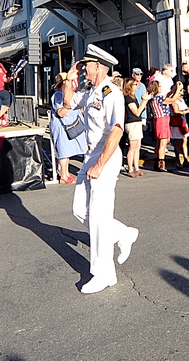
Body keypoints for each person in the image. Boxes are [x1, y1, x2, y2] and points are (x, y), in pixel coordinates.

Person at [62, 44, 139, 294]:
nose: (83, 69)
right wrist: (68, 78)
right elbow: (67, 102)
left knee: (97, 216)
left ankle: (103, 273)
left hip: (105, 154)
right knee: (78, 210)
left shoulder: (111, 93)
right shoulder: (90, 90)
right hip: (90, 153)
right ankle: (123, 232)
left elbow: (117, 129)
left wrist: (100, 163)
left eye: (86, 65)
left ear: (98, 66)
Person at [50, 72, 87, 184]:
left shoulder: (72, 94)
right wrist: (68, 105)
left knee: (74, 149)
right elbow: (61, 112)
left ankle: (66, 174)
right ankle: (64, 175)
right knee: (64, 150)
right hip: (62, 126)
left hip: (74, 125)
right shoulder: (58, 95)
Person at [123, 76, 149, 178]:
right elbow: (137, 112)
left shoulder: (133, 97)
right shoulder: (128, 98)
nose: (136, 86)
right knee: (132, 147)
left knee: (138, 147)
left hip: (137, 123)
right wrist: (144, 101)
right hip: (132, 123)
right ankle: (130, 168)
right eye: (134, 84)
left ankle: (137, 167)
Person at [147, 79, 174, 171]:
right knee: (163, 143)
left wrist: (173, 91)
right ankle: (161, 164)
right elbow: (172, 100)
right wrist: (178, 91)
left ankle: (156, 162)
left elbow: (166, 96)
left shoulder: (153, 98)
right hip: (162, 119)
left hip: (158, 119)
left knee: (159, 143)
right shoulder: (159, 98)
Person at [168, 81, 189, 169]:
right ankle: (177, 159)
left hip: (183, 120)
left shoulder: (181, 99)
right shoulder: (174, 100)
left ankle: (185, 159)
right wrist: (186, 111)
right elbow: (176, 111)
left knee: (185, 141)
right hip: (178, 121)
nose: (182, 91)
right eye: (180, 90)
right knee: (178, 142)